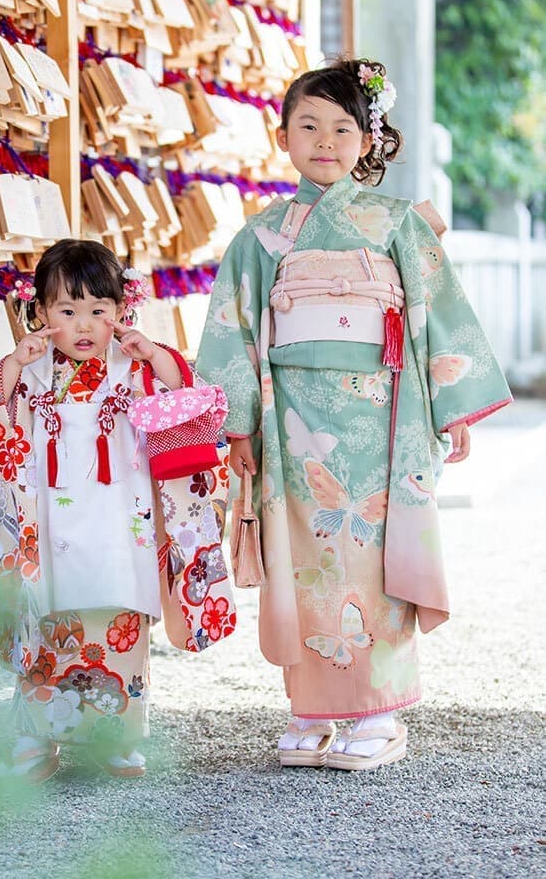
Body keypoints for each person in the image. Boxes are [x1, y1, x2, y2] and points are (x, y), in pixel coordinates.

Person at [196, 58, 511, 770]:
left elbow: (437, 316)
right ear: (282, 138)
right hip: (292, 423)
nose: (326, 140)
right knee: (301, 557)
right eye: (308, 125)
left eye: (343, 127)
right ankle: (311, 708)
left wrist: (450, 406)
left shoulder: (398, 223)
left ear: (369, 140)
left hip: (383, 420)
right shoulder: (261, 238)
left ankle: (381, 713)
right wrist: (239, 427)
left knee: (371, 551)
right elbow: (232, 329)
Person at [0, 240, 233, 781]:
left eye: (98, 311)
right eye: (67, 311)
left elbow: (197, 402)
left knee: (119, 623)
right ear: (39, 311)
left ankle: (116, 735)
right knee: (44, 618)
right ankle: (37, 738)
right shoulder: (29, 369)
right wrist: (15, 362)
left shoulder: (135, 366)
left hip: (120, 524)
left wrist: (155, 355)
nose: (83, 325)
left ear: (120, 311)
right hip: (47, 527)